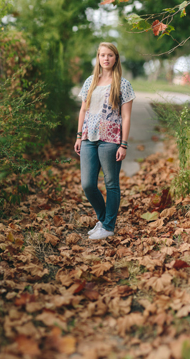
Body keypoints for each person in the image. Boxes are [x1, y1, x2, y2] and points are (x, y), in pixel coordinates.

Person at [74, 42, 135, 240]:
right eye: (102, 55)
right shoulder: (90, 81)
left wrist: (123, 144)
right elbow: (83, 109)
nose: (106, 58)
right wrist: (78, 136)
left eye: (110, 55)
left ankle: (108, 226)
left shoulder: (123, 84)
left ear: (115, 58)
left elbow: (126, 117)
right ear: (98, 58)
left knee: (111, 183)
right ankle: (103, 219)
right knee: (88, 184)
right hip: (88, 138)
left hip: (111, 140)